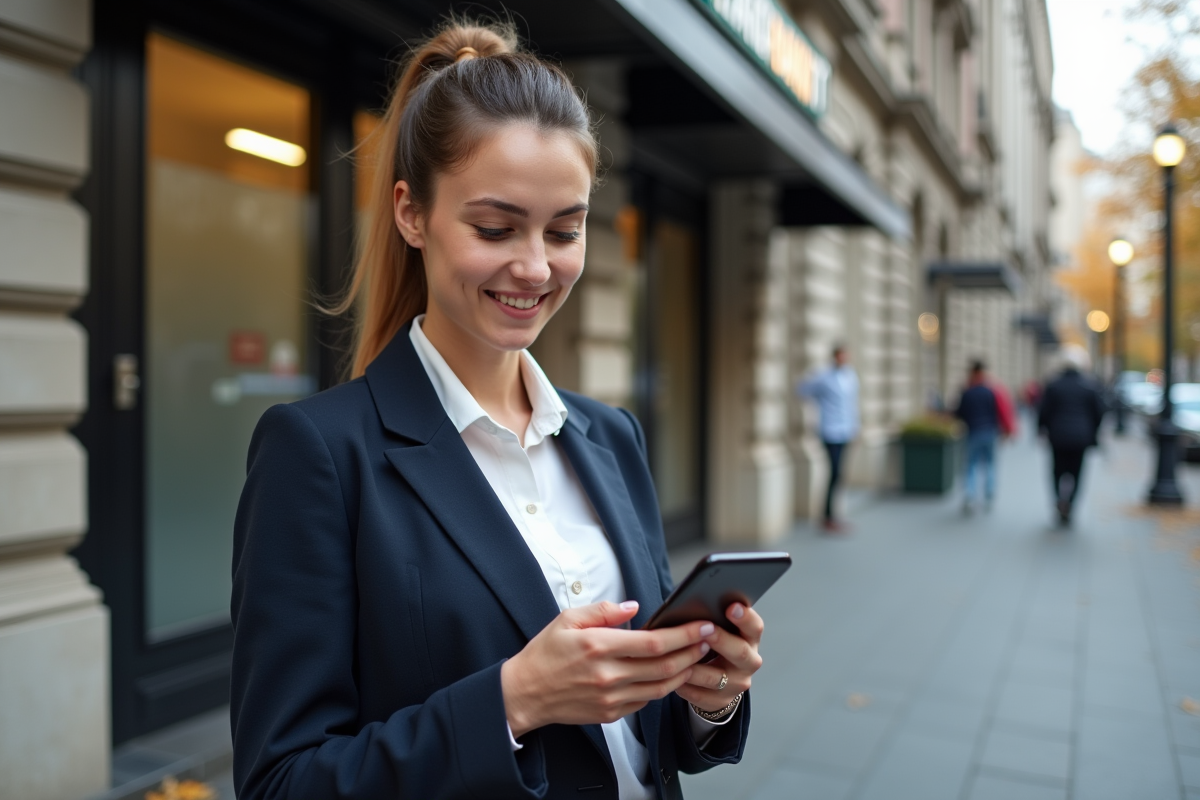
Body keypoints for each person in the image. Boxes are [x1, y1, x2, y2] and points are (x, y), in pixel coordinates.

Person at [229, 21, 762, 800]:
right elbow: (282, 782)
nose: (537, 267)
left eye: (566, 230)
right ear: (412, 214)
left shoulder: (611, 436)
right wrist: (514, 701)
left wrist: (711, 696)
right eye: (495, 227)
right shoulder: (318, 453)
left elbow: (643, 742)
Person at [1038, 345, 1106, 526]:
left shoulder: (1053, 385)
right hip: (1081, 438)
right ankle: (1071, 505)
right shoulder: (1089, 386)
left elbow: (1043, 411)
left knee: (1056, 472)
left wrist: (1041, 429)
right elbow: (1099, 412)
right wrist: (1093, 431)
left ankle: (1060, 501)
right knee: (1077, 473)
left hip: (1058, 437)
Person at [797, 345, 859, 532]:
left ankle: (835, 515)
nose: (843, 359)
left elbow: (852, 404)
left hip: (846, 431)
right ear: (835, 357)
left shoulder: (850, 376)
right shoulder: (823, 376)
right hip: (830, 431)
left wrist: (856, 428)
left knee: (839, 474)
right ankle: (828, 516)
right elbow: (801, 390)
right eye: (840, 356)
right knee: (834, 472)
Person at [953, 360, 1014, 514]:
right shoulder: (992, 391)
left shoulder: (967, 392)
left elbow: (959, 413)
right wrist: (1007, 430)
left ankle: (970, 495)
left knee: (971, 465)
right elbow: (1002, 411)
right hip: (990, 432)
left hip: (973, 432)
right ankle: (989, 495)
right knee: (990, 464)